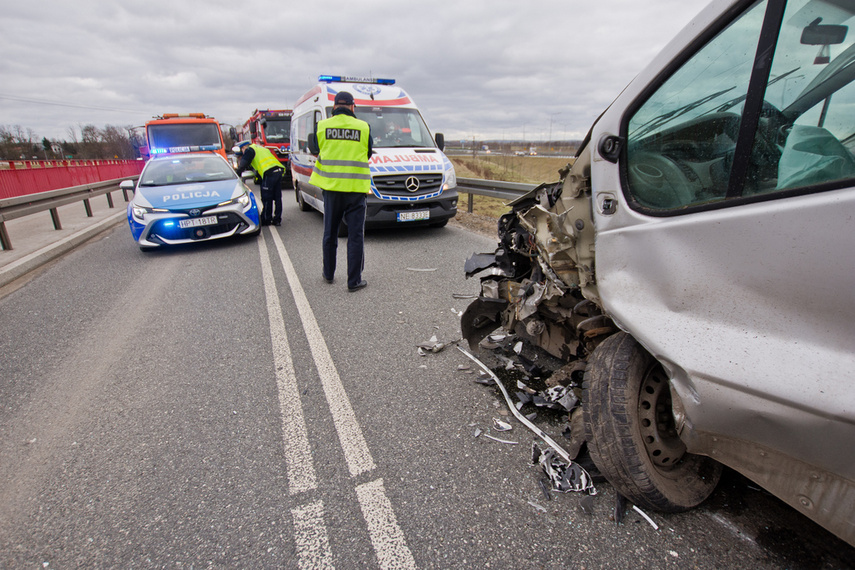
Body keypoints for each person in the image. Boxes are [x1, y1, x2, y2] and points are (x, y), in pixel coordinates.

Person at [309, 91, 374, 292]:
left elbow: (314, 149)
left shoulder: (322, 126)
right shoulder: (363, 127)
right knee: (355, 236)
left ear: (335, 106)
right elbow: (369, 152)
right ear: (353, 107)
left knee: (330, 233)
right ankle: (354, 281)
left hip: (331, 189)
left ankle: (328, 273)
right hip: (355, 190)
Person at [234, 141, 284, 226]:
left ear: (243, 148)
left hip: (269, 173)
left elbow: (243, 165)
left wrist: (236, 175)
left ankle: (266, 219)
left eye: (242, 152)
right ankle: (277, 219)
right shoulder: (260, 148)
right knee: (277, 197)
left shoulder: (249, 150)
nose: (243, 154)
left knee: (266, 198)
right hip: (278, 171)